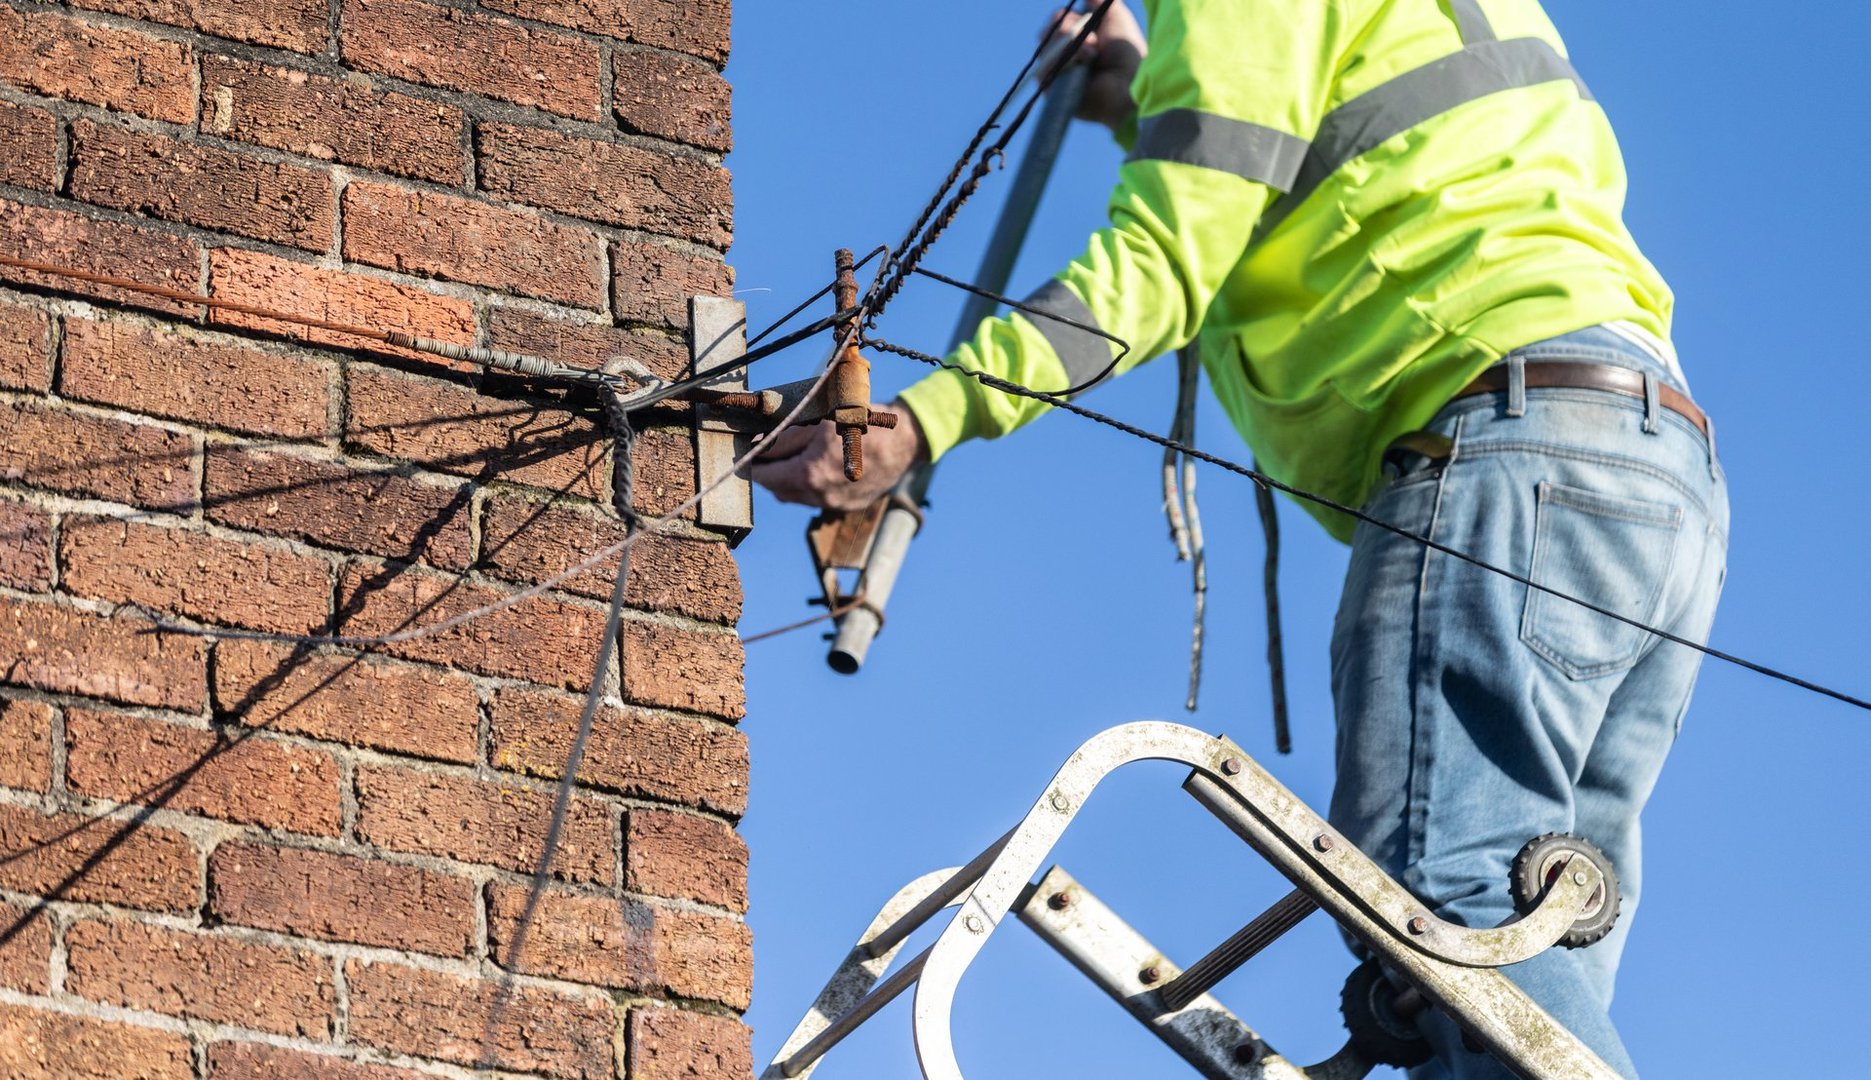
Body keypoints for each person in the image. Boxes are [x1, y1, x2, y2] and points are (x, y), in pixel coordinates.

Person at [752, 2, 1727, 1076]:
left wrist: (931, 416)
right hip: (1643, 467)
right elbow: (1320, 155)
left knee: (1438, 910)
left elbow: (1162, 265)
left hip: (1494, 453)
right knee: (1521, 955)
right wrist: (1140, 93)